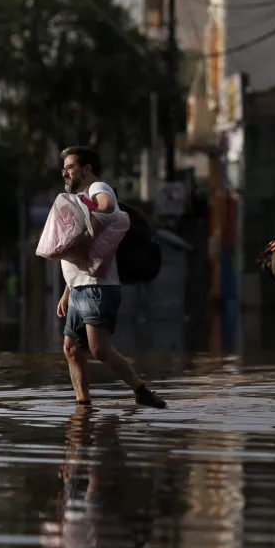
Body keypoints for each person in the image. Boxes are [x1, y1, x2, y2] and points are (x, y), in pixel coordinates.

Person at [56, 146, 166, 409]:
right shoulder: (81, 199)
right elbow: (80, 257)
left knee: (99, 349)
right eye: (64, 170)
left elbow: (105, 206)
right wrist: (67, 291)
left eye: (70, 168)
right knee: (71, 349)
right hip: (79, 286)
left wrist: (87, 234)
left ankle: (141, 391)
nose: (65, 174)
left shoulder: (97, 188)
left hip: (98, 287)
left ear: (87, 169)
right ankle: (83, 407)